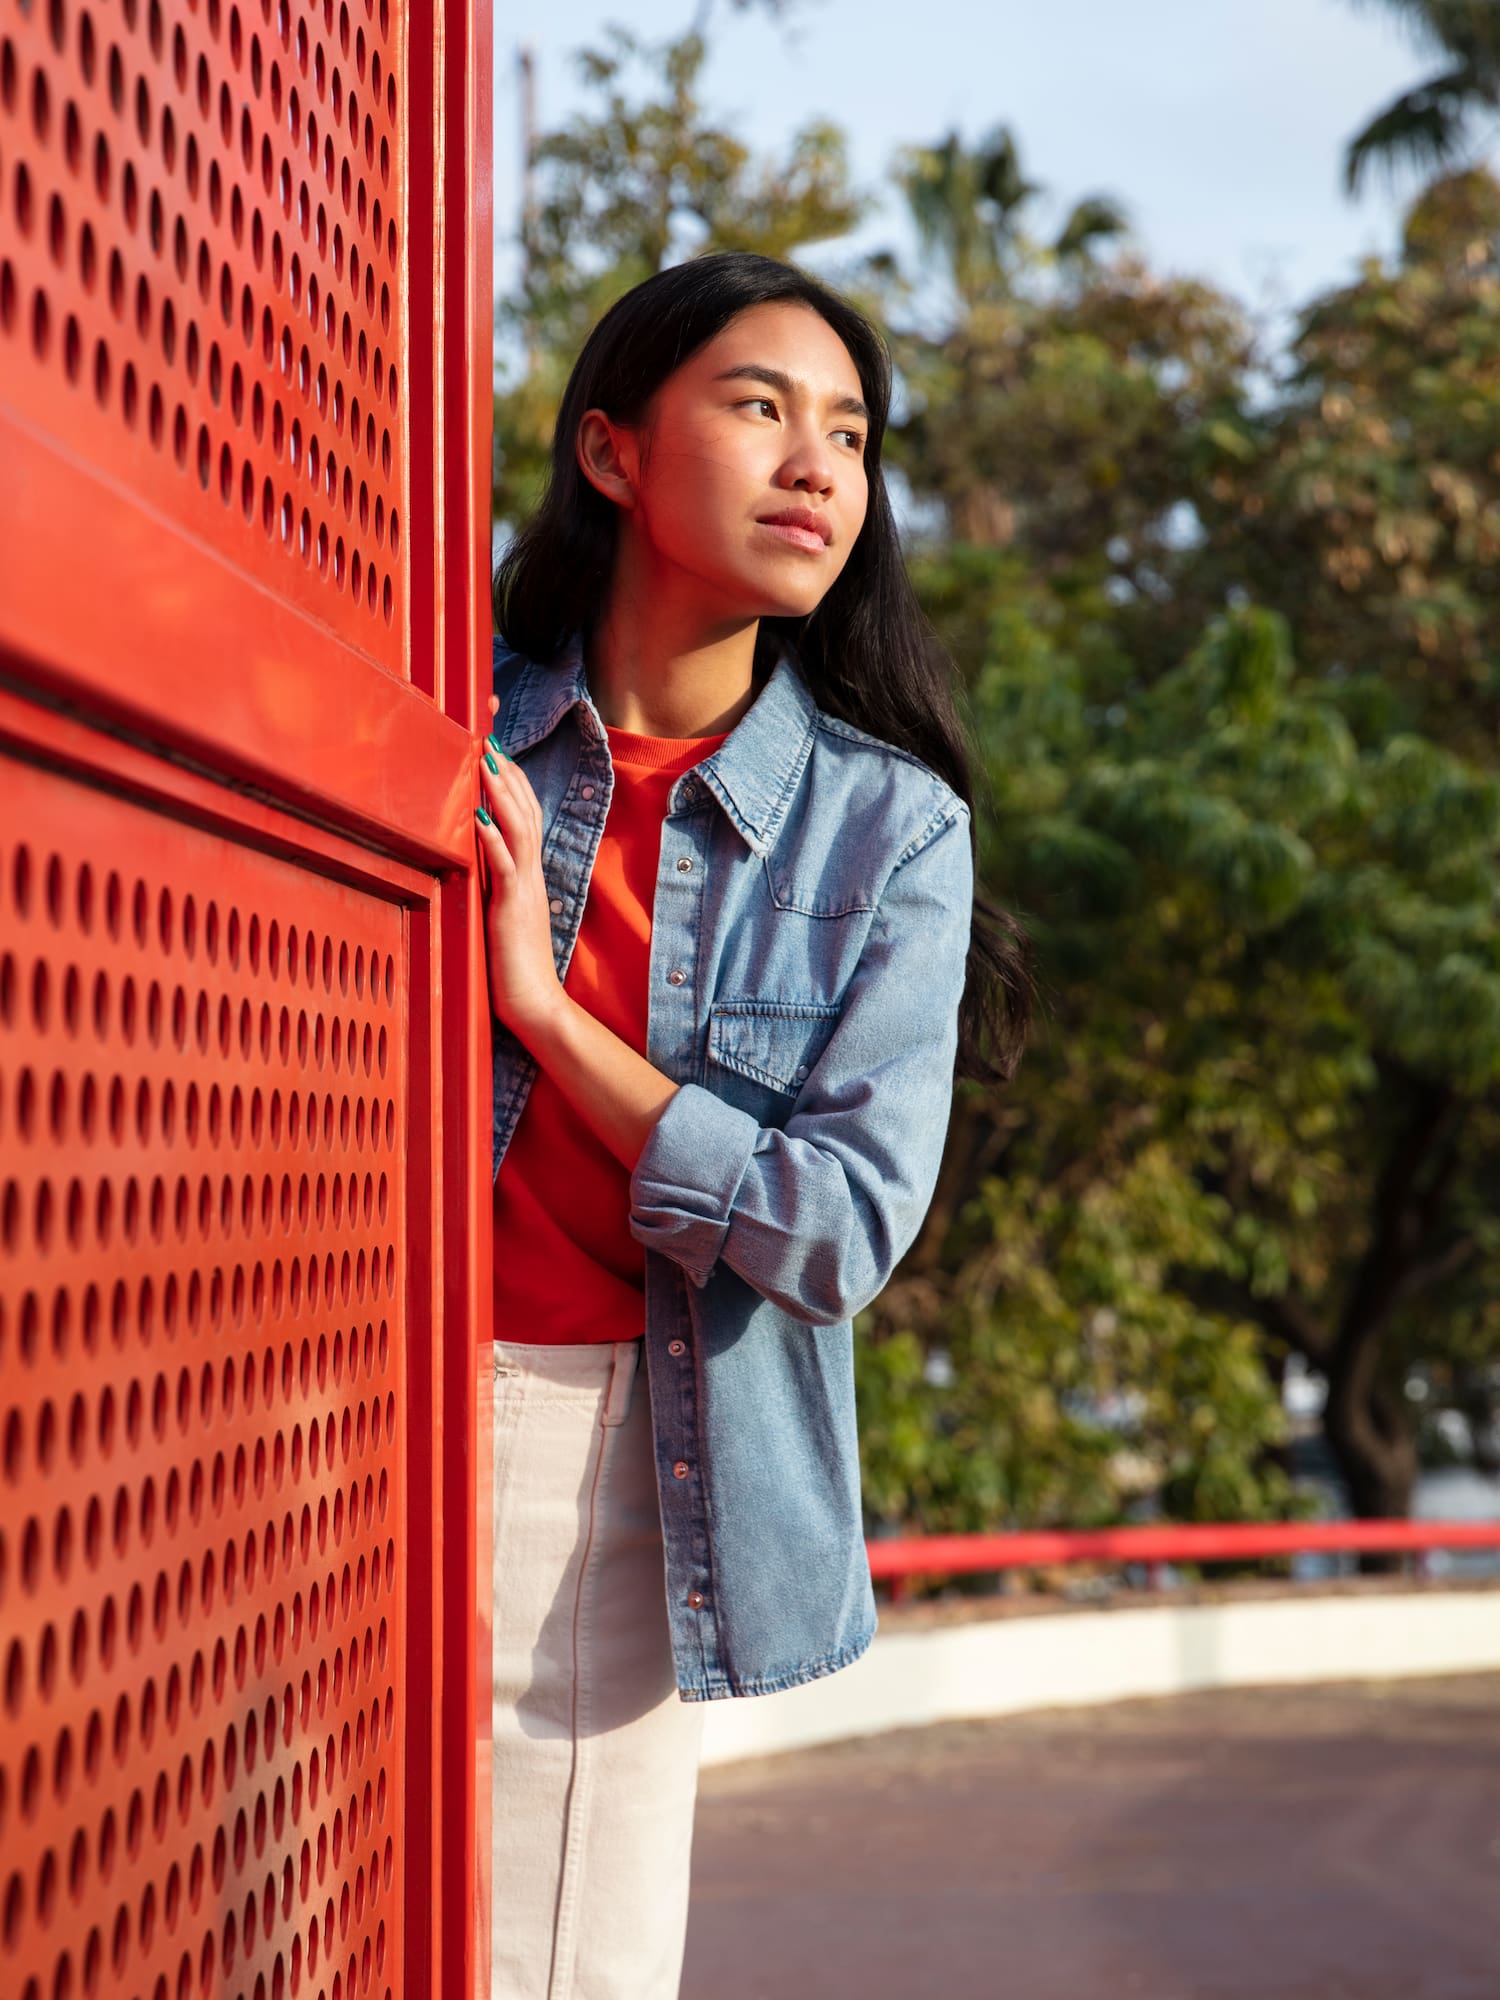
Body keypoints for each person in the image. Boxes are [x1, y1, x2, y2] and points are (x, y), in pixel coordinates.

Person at [474, 249, 1033, 1999]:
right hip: (325, 1418)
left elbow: (831, 1231)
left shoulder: (890, 834)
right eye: (761, 405)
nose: (820, 467)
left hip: (620, 1474)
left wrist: (546, 1020)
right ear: (613, 452)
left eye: (853, 434)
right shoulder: (451, 730)